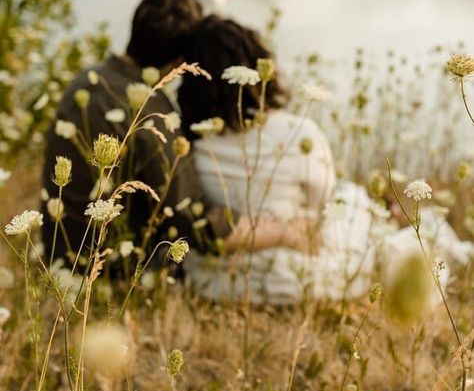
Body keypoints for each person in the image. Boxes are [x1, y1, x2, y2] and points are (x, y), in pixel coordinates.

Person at [178, 16, 474, 304]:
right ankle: (448, 248)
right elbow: (324, 205)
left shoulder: (190, 144)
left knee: (358, 203)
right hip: (298, 276)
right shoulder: (299, 131)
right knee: (357, 204)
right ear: (259, 67)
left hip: (216, 281)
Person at [41, 0, 310, 270]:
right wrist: (285, 233)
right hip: (106, 266)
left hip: (59, 250)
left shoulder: (88, 79)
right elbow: (195, 223)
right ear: (181, 62)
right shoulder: (152, 115)